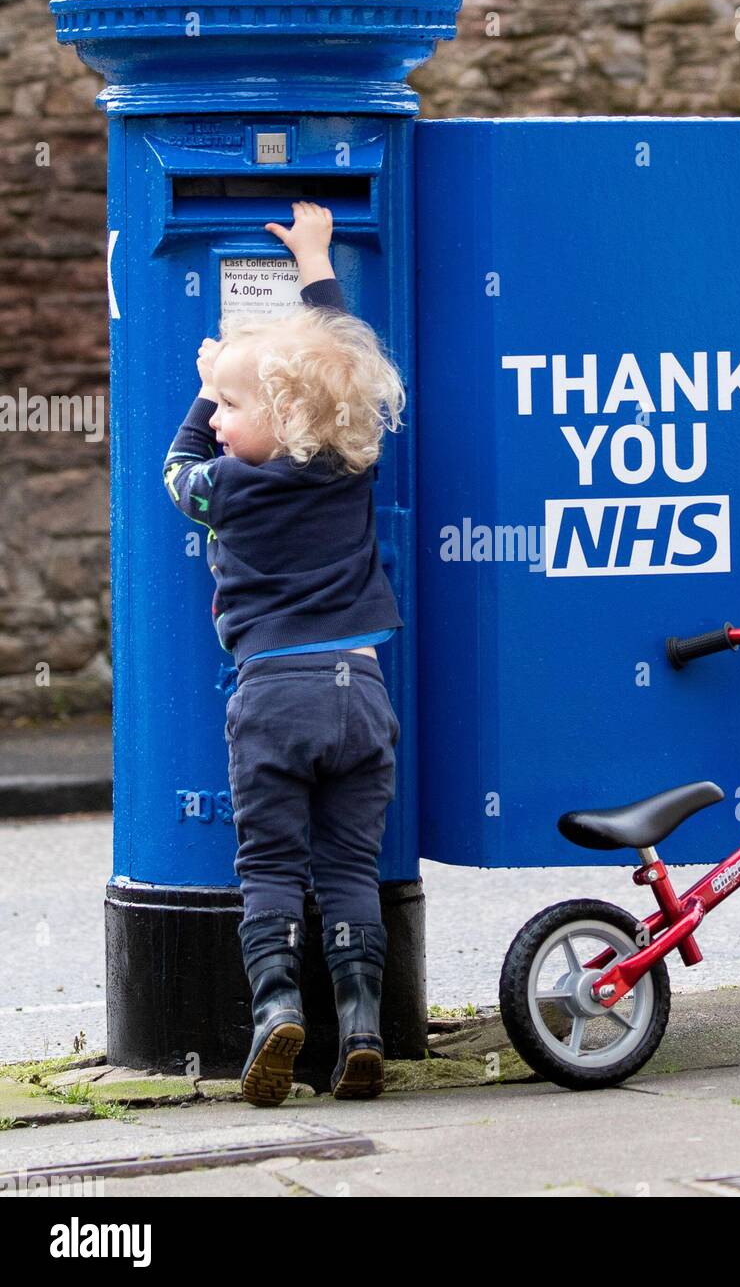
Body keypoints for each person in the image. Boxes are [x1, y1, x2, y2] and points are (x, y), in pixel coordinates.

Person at [162, 201, 405, 1104]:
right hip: (363, 694)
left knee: (269, 866)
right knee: (348, 869)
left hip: (273, 696)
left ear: (285, 410)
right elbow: (342, 348)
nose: (221, 418)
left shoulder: (225, 487)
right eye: (219, 405)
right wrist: (316, 259)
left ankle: (274, 1013)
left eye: (234, 405)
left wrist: (199, 386)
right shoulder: (351, 460)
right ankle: (365, 1024)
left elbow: (173, 470)